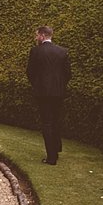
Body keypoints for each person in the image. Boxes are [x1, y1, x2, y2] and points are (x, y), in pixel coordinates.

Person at [26, 25, 72, 165]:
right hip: (58, 92)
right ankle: (56, 148)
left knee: (47, 123)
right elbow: (68, 74)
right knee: (56, 120)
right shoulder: (62, 52)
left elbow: (30, 72)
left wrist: (38, 84)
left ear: (42, 35)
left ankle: (51, 158)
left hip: (43, 93)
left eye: (36, 35)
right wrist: (60, 86)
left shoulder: (36, 51)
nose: (36, 38)